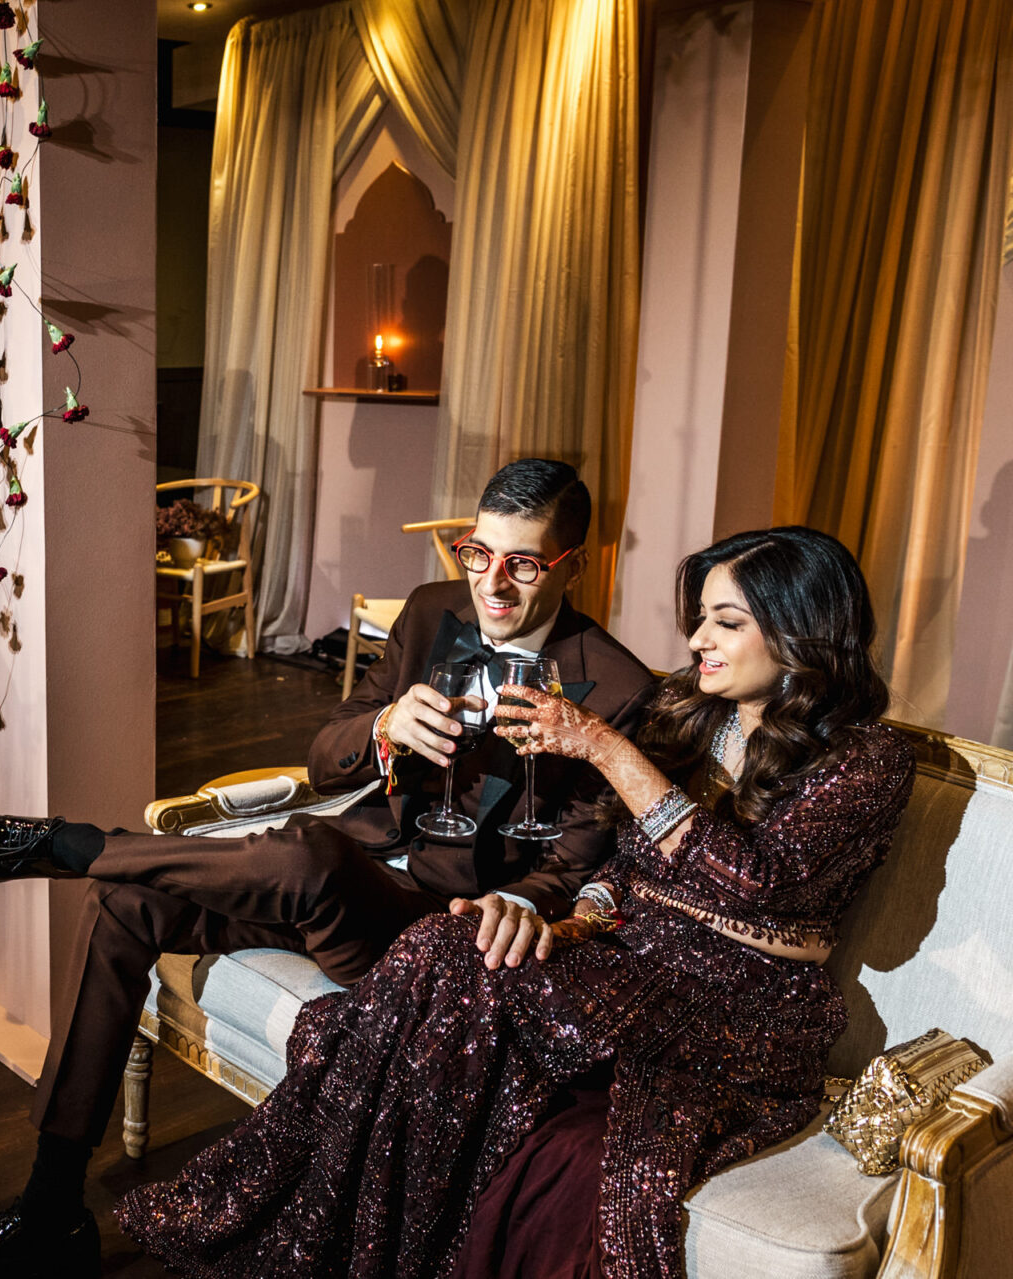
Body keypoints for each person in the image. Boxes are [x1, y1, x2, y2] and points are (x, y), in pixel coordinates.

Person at [0, 458, 660, 1277]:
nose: (492, 583)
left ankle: (74, 845)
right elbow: (325, 757)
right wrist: (384, 729)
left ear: (574, 564)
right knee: (123, 902)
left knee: (308, 850)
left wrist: (511, 907)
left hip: (431, 933)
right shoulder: (431, 610)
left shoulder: (618, 687)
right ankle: (50, 1209)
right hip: (338, 884)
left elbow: (571, 872)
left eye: (523, 563)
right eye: (479, 552)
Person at [114, 526, 914, 1279]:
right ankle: (343, 1238)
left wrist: (604, 746)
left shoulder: (870, 757)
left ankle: (317, 1235)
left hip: (742, 1007)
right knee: (441, 943)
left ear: (801, 631)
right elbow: (626, 865)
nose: (698, 638)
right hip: (631, 963)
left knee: (438, 974)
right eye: (701, 617)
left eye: (726, 622)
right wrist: (566, 921)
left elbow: (757, 881)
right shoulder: (700, 714)